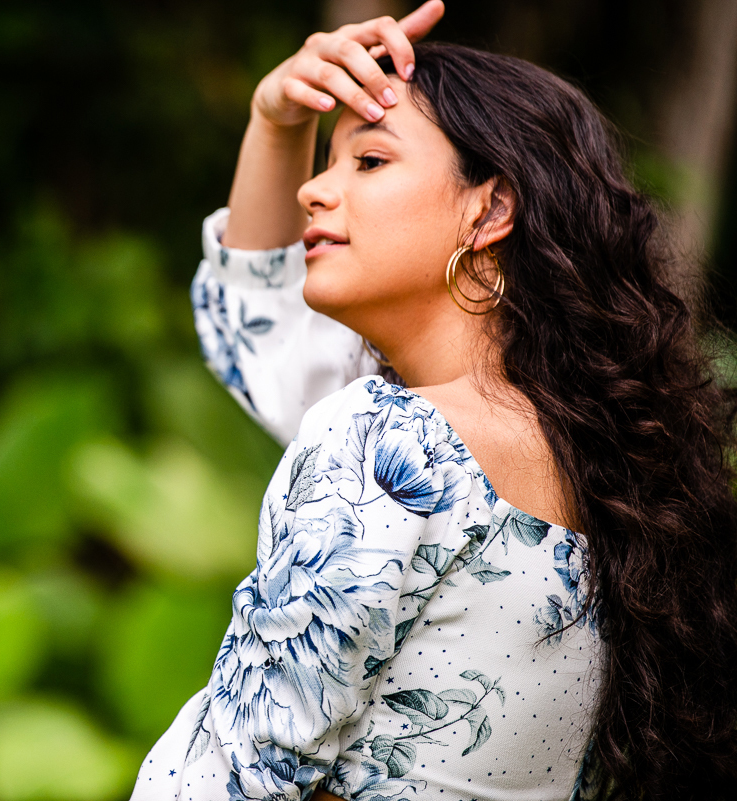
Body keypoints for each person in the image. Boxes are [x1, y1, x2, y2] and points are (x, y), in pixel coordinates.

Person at [128, 2, 737, 799]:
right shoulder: (615, 471)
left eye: (369, 161)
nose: (315, 189)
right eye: (325, 162)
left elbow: (237, 776)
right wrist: (276, 121)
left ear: (488, 207)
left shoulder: (386, 443)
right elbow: (263, 327)